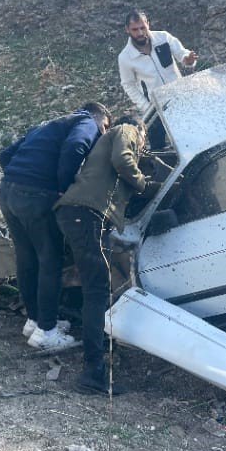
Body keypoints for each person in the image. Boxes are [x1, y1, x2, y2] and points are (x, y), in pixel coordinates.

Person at [55, 115, 160, 394]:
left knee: (94, 288)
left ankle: (95, 365)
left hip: (79, 214)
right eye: (144, 140)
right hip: (87, 214)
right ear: (139, 129)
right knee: (97, 290)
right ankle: (93, 373)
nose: (142, 146)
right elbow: (123, 161)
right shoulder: (125, 129)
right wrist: (145, 184)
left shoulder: (107, 140)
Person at [0, 102, 111, 350]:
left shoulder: (49, 124)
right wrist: (62, 187)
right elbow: (76, 146)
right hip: (37, 196)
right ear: (100, 117)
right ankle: (46, 332)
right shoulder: (87, 122)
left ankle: (35, 320)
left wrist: (21, 178)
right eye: (105, 127)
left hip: (8, 191)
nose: (103, 133)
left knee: (27, 258)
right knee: (50, 260)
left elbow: (5, 154)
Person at [117, 10, 198, 116]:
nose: (140, 33)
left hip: (181, 97)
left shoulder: (163, 37)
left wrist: (188, 59)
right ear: (127, 29)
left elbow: (182, 54)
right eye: (135, 29)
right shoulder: (125, 57)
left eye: (142, 28)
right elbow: (128, 85)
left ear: (148, 24)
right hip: (157, 109)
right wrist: (146, 107)